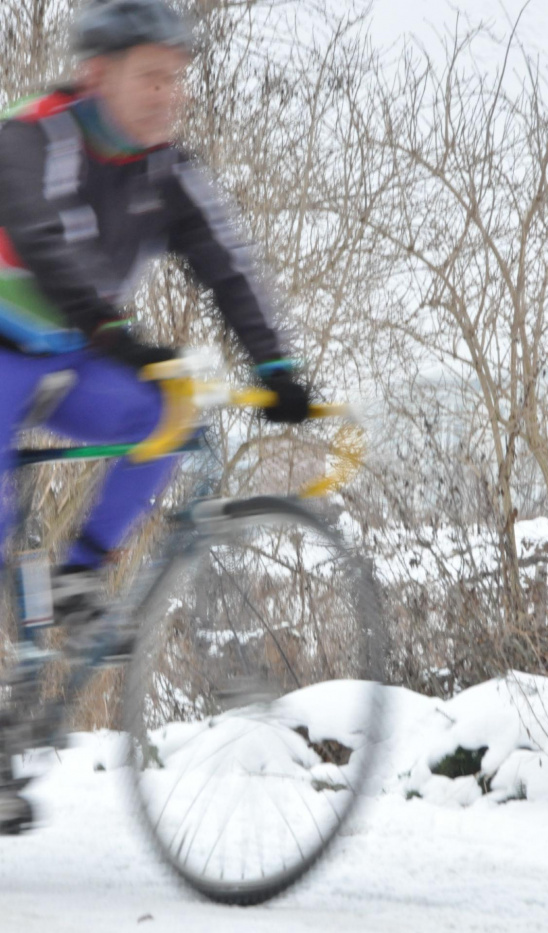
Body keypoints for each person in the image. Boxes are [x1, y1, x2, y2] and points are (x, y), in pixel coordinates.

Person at [0, 0, 309, 833]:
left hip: (65, 355)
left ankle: (76, 575)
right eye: (152, 76)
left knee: (170, 410)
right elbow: (44, 237)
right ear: (98, 74)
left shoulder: (166, 170)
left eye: (178, 79)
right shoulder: (32, 136)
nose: (169, 94)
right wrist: (120, 336)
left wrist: (277, 365)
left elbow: (227, 265)